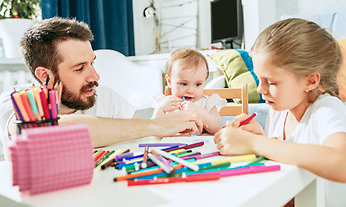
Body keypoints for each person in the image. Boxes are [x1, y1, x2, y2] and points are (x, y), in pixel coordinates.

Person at [0, 17, 201, 159]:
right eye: (79, 68)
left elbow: (142, 134)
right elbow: (46, 132)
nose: (95, 76)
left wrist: (165, 125)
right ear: (45, 75)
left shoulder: (103, 96)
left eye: (92, 63)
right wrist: (158, 125)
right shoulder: (15, 100)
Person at [214, 18, 346, 206]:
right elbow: (287, 160)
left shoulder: (326, 108)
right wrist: (260, 139)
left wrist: (256, 143)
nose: (260, 89)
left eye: (271, 82)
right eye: (259, 79)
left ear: (310, 81)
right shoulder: (278, 111)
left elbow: (343, 165)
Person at [152, 48, 226, 135]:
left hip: (199, 146)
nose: (190, 91)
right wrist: (160, 109)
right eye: (183, 84)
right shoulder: (166, 103)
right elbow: (152, 129)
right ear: (169, 81)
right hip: (171, 146)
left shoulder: (207, 103)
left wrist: (197, 110)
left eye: (198, 84)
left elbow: (216, 128)